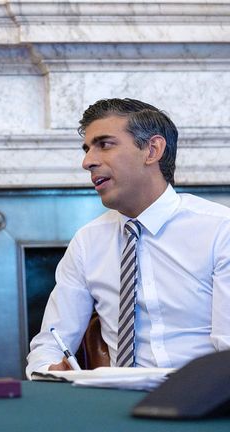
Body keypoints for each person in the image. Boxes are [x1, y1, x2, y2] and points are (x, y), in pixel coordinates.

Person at [26, 98, 230, 376]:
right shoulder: (87, 242)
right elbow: (51, 342)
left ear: (152, 150)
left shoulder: (220, 229)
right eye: (87, 149)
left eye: (105, 144)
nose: (87, 162)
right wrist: (49, 369)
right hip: (114, 404)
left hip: (201, 401)